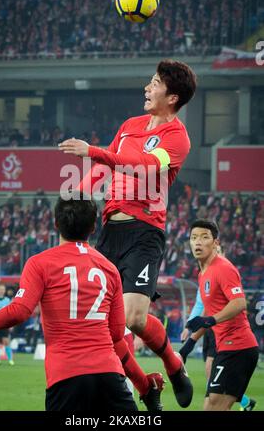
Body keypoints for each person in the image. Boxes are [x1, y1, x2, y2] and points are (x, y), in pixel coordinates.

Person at [58, 59, 196, 409]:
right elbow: (107, 165)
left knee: (134, 318)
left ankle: (174, 365)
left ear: (173, 96)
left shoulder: (177, 138)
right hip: (109, 232)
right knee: (104, 327)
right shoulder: (131, 125)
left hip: (144, 231)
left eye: (154, 83)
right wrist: (79, 194)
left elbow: (145, 166)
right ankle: (145, 386)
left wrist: (90, 150)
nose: (147, 89)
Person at [0, 194, 138, 413]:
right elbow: (115, 332)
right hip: (110, 374)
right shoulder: (110, 269)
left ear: (56, 224)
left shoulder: (39, 263)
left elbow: (19, 311)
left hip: (66, 375)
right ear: (94, 227)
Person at [185, 219, 259, 411]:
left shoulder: (223, 268)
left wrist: (211, 320)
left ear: (216, 243)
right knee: (209, 406)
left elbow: (239, 302)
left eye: (204, 237)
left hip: (238, 348)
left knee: (214, 408)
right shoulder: (202, 274)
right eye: (194, 238)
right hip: (225, 348)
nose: (198, 242)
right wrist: (190, 344)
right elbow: (209, 311)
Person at [180, 287, 257, 411]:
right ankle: (242, 400)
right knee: (210, 370)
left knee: (210, 367)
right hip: (208, 327)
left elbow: (237, 303)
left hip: (222, 330)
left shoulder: (219, 273)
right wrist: (188, 329)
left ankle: (237, 399)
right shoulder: (202, 278)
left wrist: (190, 339)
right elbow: (200, 306)